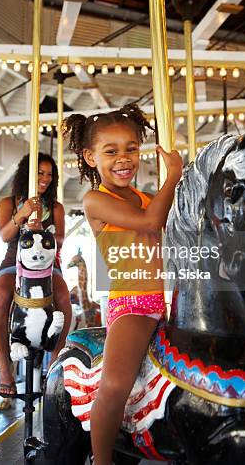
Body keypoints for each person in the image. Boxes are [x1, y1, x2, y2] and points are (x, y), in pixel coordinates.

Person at [63, 103, 182, 465]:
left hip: (167, 302)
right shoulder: (96, 200)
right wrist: (173, 176)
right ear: (90, 156)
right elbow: (149, 222)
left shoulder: (146, 198)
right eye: (111, 151)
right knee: (115, 384)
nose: (124, 158)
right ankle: (102, 460)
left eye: (131, 148)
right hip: (132, 304)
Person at [0, 152, 72, 398]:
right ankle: (5, 368)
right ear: (27, 173)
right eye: (40, 173)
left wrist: (42, 231)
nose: (45, 179)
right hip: (15, 259)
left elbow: (59, 240)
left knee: (64, 299)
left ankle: (55, 362)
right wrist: (22, 215)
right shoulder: (9, 203)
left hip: (47, 262)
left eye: (49, 174)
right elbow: (5, 235)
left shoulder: (55, 208)